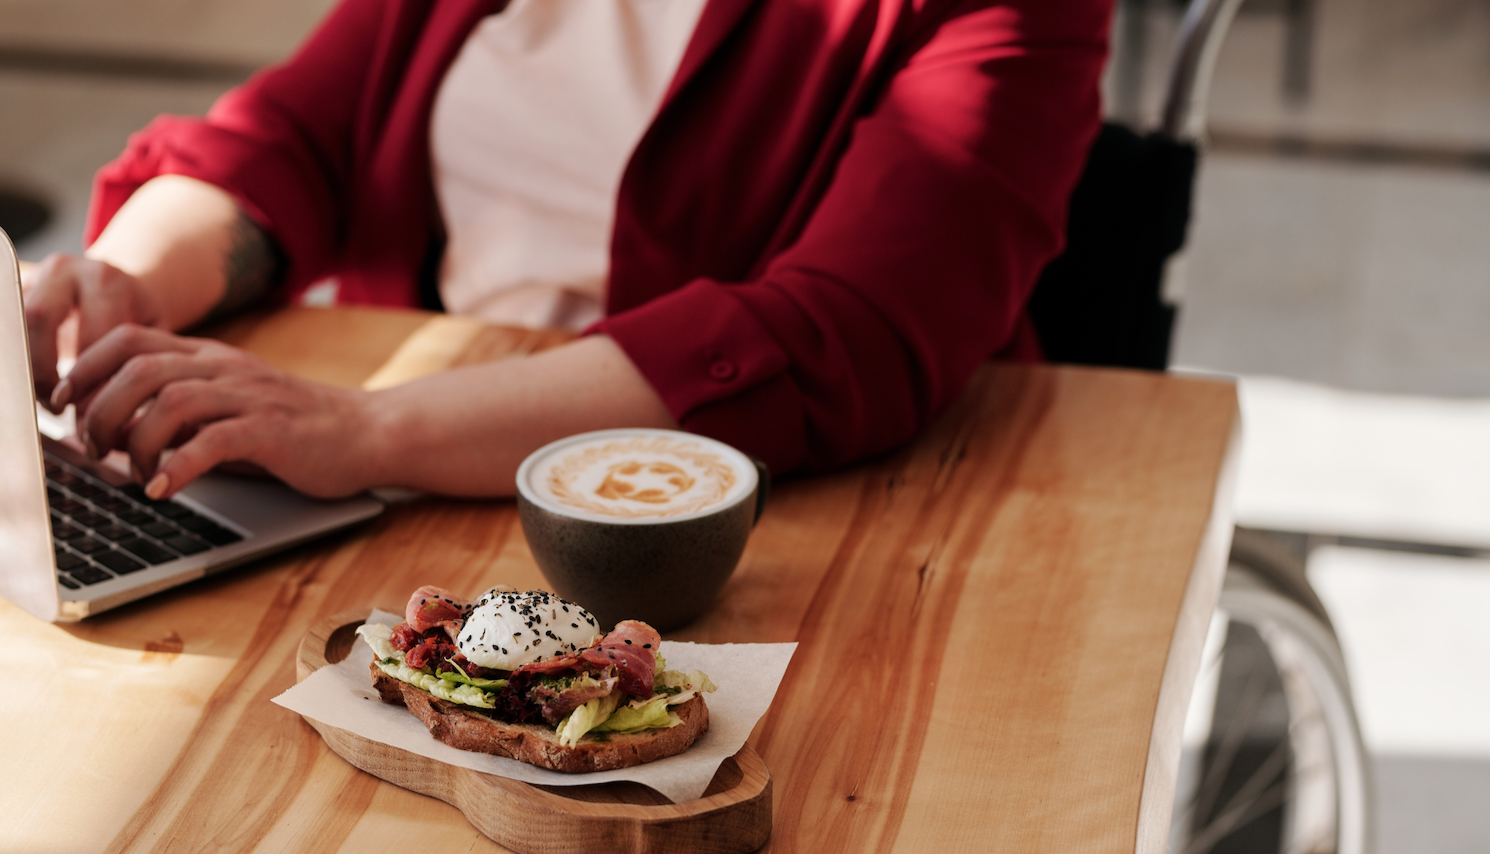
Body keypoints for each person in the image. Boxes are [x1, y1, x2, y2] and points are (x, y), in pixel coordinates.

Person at [23, 0, 1111, 500]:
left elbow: (849, 331)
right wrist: (128, 279)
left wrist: (367, 428)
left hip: (732, 521)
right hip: (408, 473)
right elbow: (294, 137)